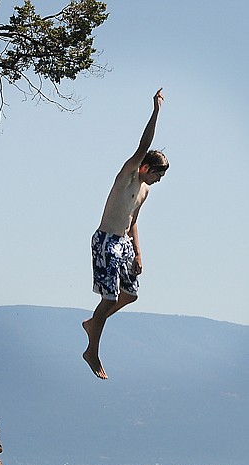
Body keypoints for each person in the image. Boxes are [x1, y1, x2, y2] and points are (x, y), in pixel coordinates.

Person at [82, 88, 169, 379]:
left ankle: (94, 323)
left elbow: (133, 222)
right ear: (145, 167)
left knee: (129, 295)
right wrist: (156, 111)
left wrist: (139, 254)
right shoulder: (128, 175)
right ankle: (92, 350)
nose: (158, 181)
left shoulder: (143, 192)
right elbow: (143, 145)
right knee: (109, 298)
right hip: (106, 240)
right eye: (157, 175)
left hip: (124, 243)